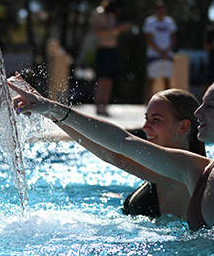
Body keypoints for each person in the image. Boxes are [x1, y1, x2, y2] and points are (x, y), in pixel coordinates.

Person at [9, 76, 214, 253]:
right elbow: (121, 143)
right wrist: (50, 107)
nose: (198, 114)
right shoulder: (193, 171)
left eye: (209, 107)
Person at [57, 85, 205, 218]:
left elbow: (111, 154)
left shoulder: (189, 171)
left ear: (183, 127)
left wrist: (52, 110)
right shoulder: (156, 168)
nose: (146, 127)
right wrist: (52, 114)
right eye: (146, 118)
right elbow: (109, 153)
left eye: (156, 119)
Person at [91, 0, 133, 116]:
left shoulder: (110, 15)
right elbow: (100, 33)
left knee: (109, 79)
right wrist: (118, 29)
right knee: (102, 79)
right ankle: (98, 106)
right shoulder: (100, 12)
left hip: (112, 50)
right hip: (103, 50)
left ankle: (104, 106)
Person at [143, 0, 177, 101]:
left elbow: (173, 37)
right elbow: (149, 39)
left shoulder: (170, 22)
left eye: (163, 8)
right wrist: (160, 52)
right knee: (151, 79)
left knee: (167, 79)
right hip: (154, 55)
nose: (161, 10)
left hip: (167, 55)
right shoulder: (150, 22)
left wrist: (166, 51)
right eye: (159, 8)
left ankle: (168, 102)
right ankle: (147, 101)